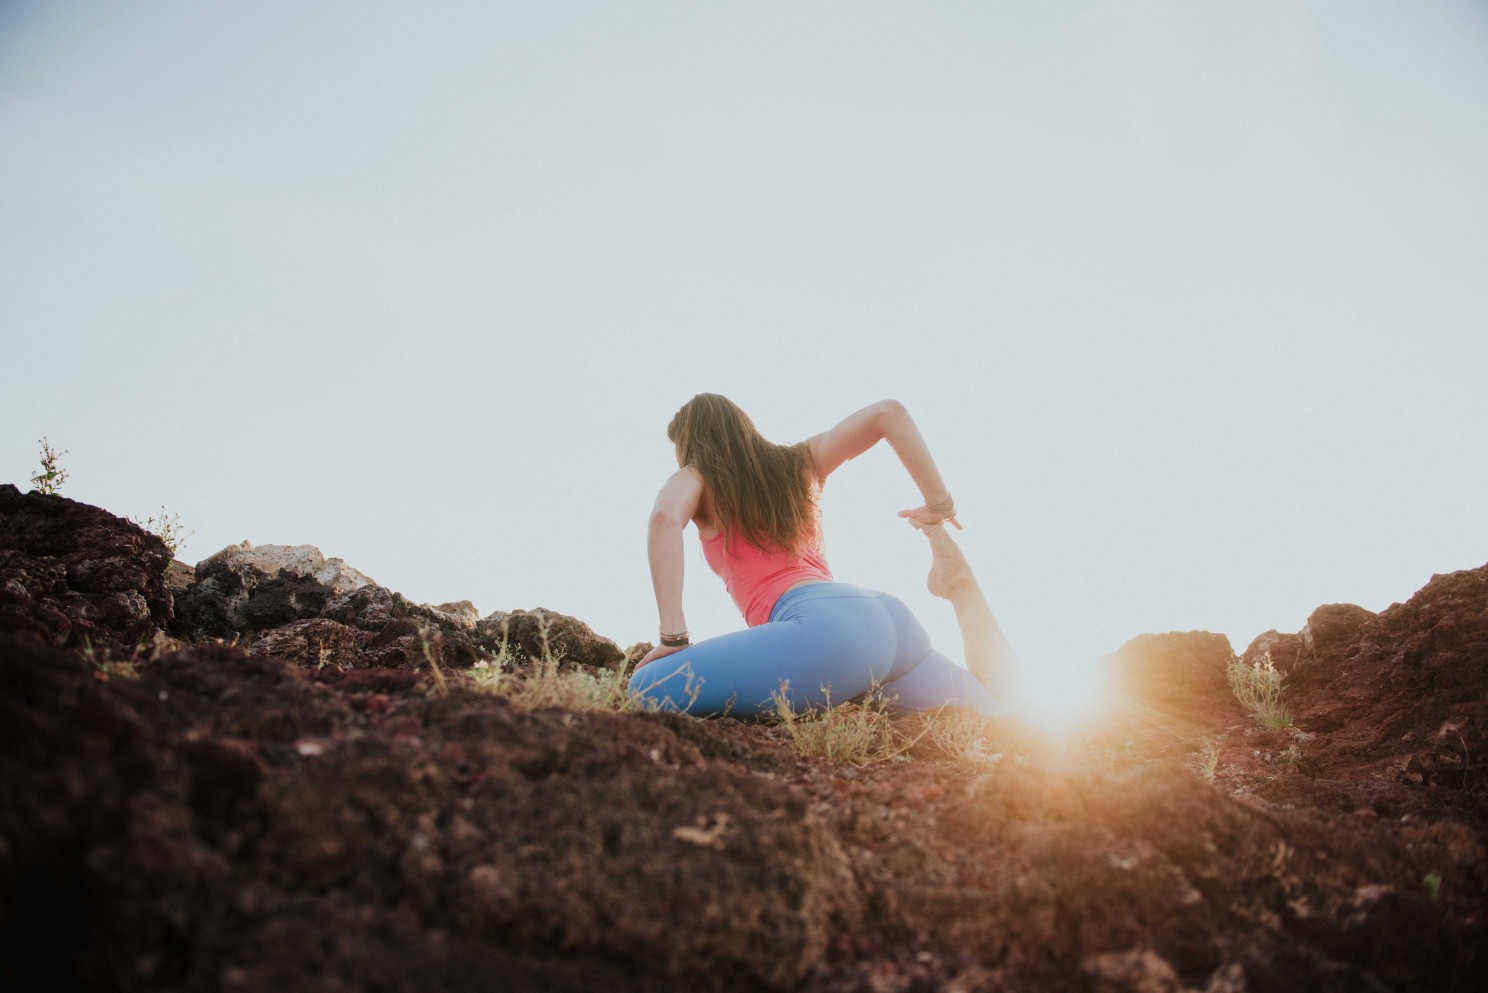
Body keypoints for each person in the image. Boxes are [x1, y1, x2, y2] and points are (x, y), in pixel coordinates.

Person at [627, 394, 1018, 719]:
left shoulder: (696, 477)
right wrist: (939, 505)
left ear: (689, 443)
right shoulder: (799, 463)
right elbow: (889, 413)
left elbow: (664, 519)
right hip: (890, 623)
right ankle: (963, 588)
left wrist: (674, 638)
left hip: (824, 633)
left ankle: (959, 586)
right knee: (1003, 725)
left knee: (648, 687)